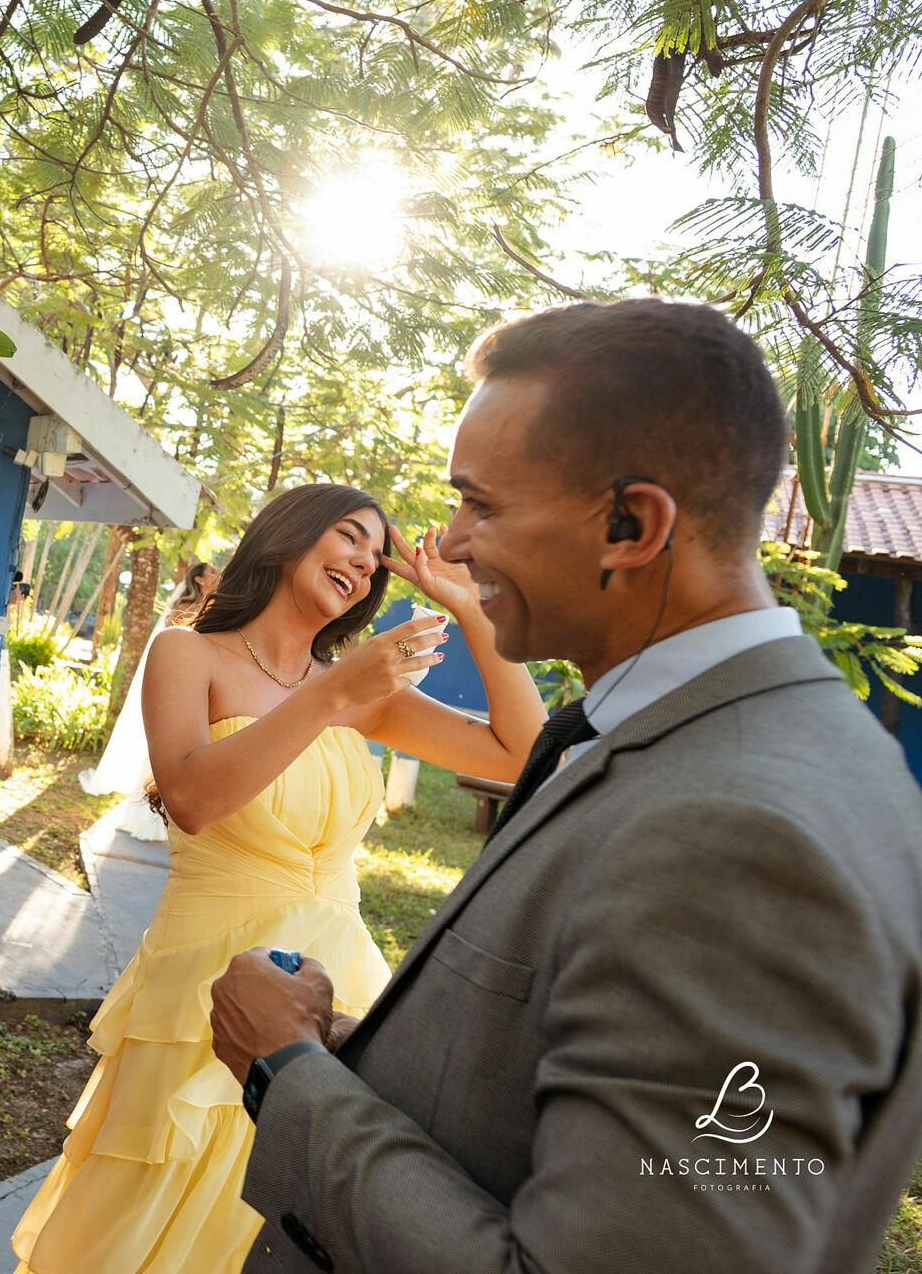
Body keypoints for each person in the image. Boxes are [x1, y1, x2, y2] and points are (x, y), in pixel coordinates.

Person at [209, 300, 922, 1273]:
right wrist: (344, 1044)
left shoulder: (745, 836)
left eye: (482, 504)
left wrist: (286, 1071)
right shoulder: (660, 734)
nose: (451, 545)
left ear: (631, 524)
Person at [15, 482, 547, 1274]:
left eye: (377, 561)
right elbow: (193, 799)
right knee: (151, 1220)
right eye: (349, 538)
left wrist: (472, 611)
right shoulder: (189, 653)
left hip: (337, 989)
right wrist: (333, 694)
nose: (366, 566)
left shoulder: (365, 693)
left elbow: (523, 753)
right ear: (288, 536)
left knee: (280, 1227)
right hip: (200, 989)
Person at [78, 558, 219, 842]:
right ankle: (148, 818)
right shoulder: (185, 607)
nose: (217, 574)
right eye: (213, 571)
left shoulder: (210, 606)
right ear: (200, 579)